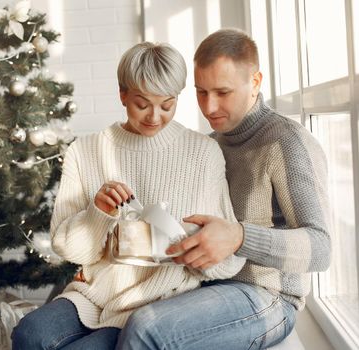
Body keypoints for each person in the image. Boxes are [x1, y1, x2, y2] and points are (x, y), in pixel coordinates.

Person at [11, 41, 245, 350]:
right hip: (95, 294)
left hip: (163, 300)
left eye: (167, 103)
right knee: (28, 334)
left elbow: (227, 261)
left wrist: (190, 246)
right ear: (123, 94)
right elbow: (68, 249)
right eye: (142, 103)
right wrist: (98, 213)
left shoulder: (203, 152)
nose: (155, 116)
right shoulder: (85, 151)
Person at [116, 28, 332, 349]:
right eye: (201, 92)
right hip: (203, 282)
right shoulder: (209, 145)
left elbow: (321, 248)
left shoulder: (285, 142)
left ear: (255, 82)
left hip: (269, 297)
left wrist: (239, 237)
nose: (209, 106)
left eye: (223, 92)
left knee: (146, 328)